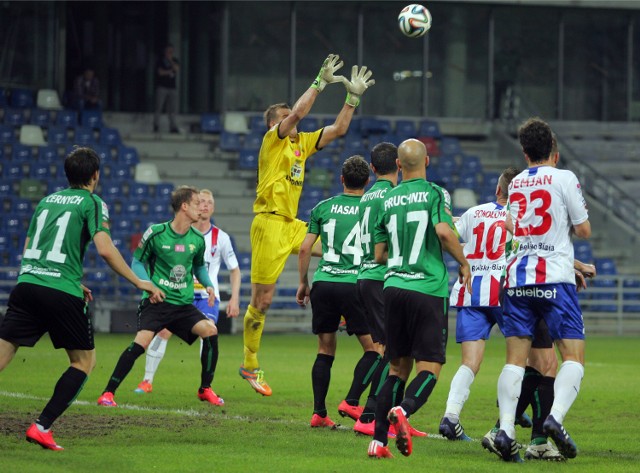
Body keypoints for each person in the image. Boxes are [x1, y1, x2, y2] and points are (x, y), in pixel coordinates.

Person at [0, 147, 164, 451]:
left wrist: (74, 278)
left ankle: (42, 426)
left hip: (27, 283)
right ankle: (41, 426)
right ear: (95, 175)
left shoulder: (46, 201)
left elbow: (31, 245)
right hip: (60, 291)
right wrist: (139, 281)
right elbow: (104, 248)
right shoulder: (92, 202)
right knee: (83, 361)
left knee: (5, 350)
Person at [240, 54, 375, 397]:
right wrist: (319, 81)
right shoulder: (274, 141)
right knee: (263, 300)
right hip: (269, 223)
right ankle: (250, 363)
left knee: (340, 250)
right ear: (274, 124)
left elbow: (340, 129)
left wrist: (352, 98)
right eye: (283, 117)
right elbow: (299, 112)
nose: (291, 119)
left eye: (288, 116)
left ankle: (344, 309)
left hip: (292, 225)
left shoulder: (302, 143)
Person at [494, 117, 591, 462]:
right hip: (553, 278)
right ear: (554, 150)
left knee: (515, 362)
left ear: (524, 152)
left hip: (518, 279)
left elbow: (509, 225)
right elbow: (584, 231)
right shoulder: (565, 178)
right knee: (573, 357)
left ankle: (505, 430)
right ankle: (555, 419)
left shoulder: (517, 182)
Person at [368, 139, 472, 458]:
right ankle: (405, 411)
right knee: (429, 368)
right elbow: (443, 232)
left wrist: (401, 263)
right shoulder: (435, 193)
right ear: (426, 161)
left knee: (397, 368)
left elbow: (379, 254)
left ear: (398, 165)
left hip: (394, 288)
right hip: (427, 290)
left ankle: (378, 442)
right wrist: (464, 263)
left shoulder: (386, 200)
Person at [97, 186, 221, 407]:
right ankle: (108, 393)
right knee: (141, 344)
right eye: (196, 204)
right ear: (184, 206)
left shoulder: (198, 239)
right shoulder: (155, 233)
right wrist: (149, 287)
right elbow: (137, 262)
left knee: (210, 331)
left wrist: (209, 285)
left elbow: (199, 267)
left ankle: (205, 389)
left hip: (183, 305)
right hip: (158, 303)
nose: (201, 208)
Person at [296, 155, 381, 428]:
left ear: (341, 179)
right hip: (356, 283)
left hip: (324, 283)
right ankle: (352, 401)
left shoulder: (323, 207)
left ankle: (319, 413)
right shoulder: (372, 207)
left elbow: (305, 248)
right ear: (367, 181)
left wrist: (303, 283)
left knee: (325, 348)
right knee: (375, 349)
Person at [133, 189, 241, 402]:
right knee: (163, 332)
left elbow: (235, 269)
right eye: (201, 202)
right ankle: (147, 380)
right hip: (181, 292)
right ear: (192, 206)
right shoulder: (181, 232)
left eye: (210, 202)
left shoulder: (221, 237)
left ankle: (205, 386)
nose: (205, 206)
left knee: (209, 332)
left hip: (206, 297)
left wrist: (235, 298)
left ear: (213, 207)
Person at [439, 167, 520, 442]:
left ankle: (450, 416)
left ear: (498, 190)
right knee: (523, 359)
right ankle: (511, 418)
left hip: (470, 290)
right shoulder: (519, 219)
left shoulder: (475, 212)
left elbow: (449, 234)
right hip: (504, 291)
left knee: (470, 363)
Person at [352, 142, 399, 436]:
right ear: (399, 163)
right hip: (384, 275)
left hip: (364, 275)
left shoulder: (366, 197)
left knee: (385, 348)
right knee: (389, 350)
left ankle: (374, 414)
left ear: (372, 169)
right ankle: (370, 416)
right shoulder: (394, 197)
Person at [153, 43, 180, 133]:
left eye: (171, 52)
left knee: (172, 109)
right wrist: (169, 71)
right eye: (168, 51)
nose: (170, 53)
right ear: (165, 52)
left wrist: (171, 61)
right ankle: (156, 125)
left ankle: (173, 126)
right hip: (162, 87)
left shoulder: (175, 60)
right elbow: (160, 73)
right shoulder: (160, 61)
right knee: (159, 107)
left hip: (172, 88)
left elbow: (176, 69)